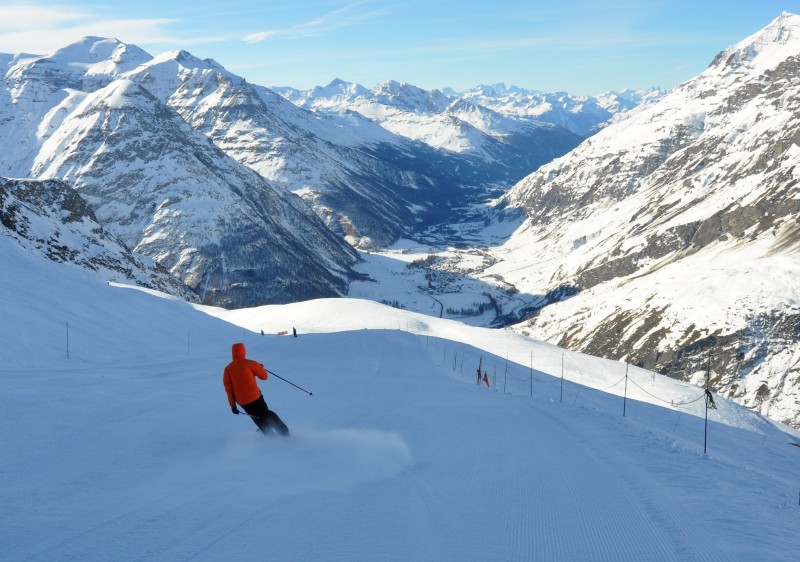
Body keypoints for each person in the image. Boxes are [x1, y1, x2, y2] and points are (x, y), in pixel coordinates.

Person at [223, 342, 290, 436]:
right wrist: (260, 368)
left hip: (243, 402)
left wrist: (233, 406)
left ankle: (269, 435)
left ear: (233, 353)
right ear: (244, 351)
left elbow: (229, 390)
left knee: (256, 417)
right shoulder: (251, 363)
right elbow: (264, 377)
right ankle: (284, 432)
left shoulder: (227, 369)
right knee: (266, 414)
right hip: (255, 397)